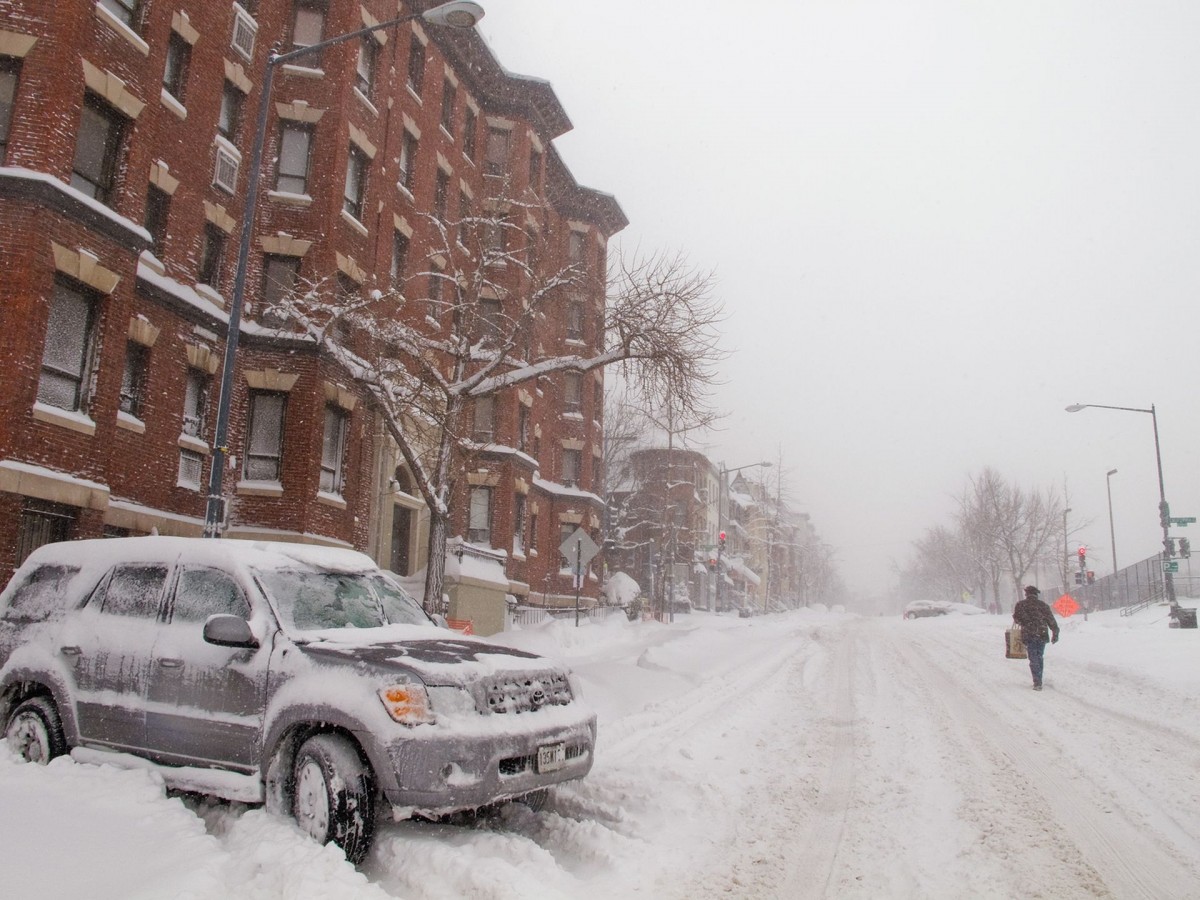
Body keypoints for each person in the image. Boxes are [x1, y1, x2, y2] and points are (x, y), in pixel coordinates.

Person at [1012, 585, 1060, 690]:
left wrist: (1025, 622)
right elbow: (1051, 620)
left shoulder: (1021, 605)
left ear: (1026, 594)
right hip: (1042, 634)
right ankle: (1039, 679)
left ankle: (1037, 681)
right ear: (1036, 594)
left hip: (1029, 634)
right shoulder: (1043, 605)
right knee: (1039, 656)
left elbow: (1016, 619)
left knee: (1033, 657)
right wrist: (1055, 633)